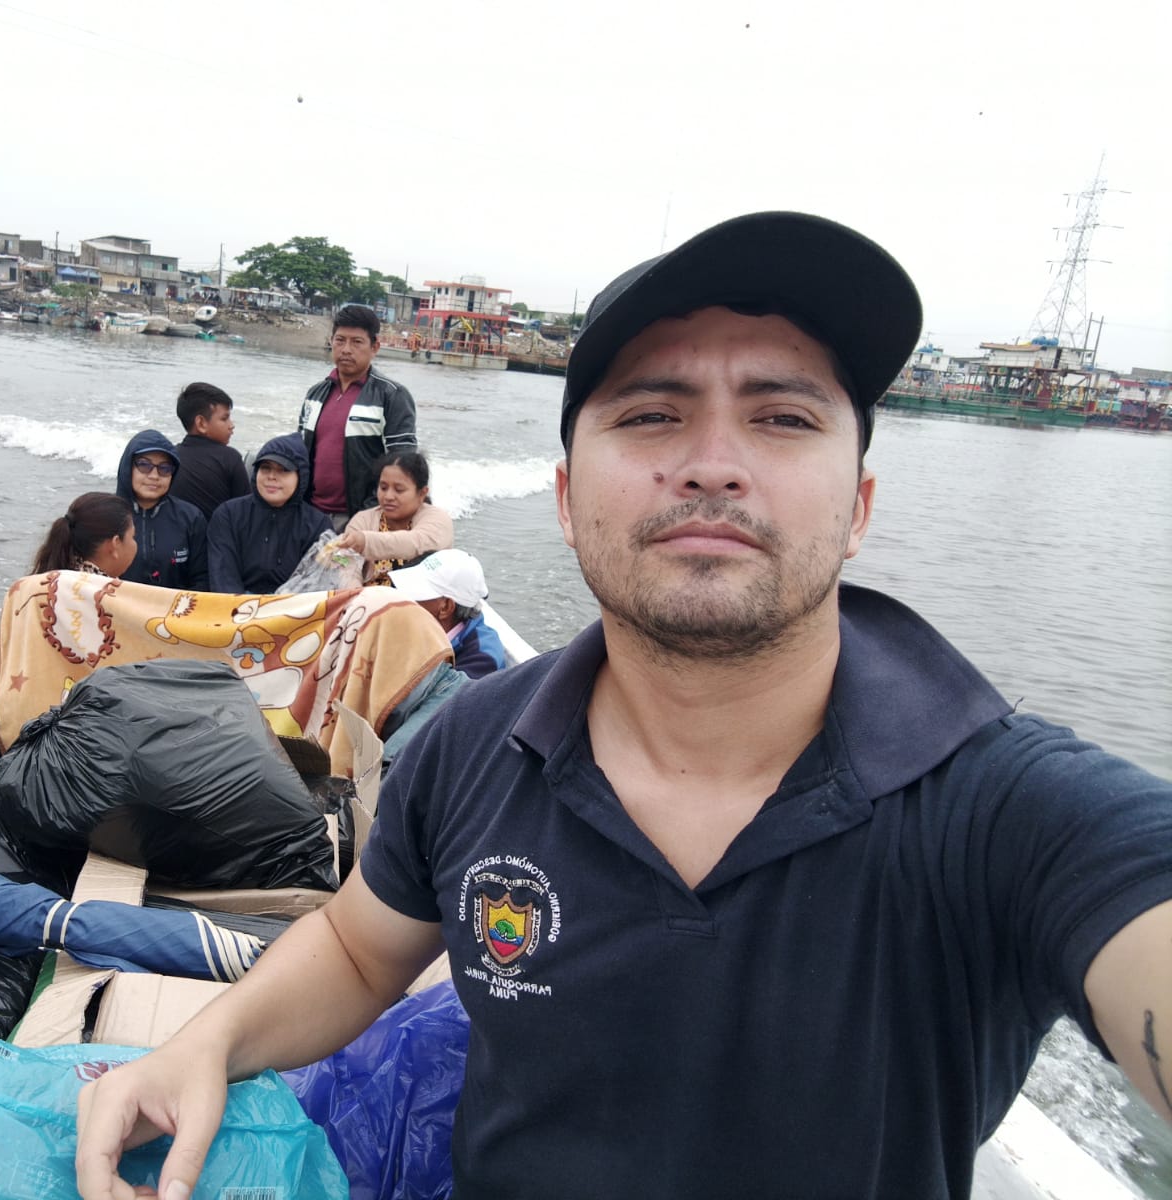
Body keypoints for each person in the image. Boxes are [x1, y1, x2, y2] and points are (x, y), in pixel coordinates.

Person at [74, 212, 1172, 1200]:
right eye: (651, 414)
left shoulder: (1008, 811)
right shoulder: (475, 746)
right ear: (564, 500)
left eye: (784, 418)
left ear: (858, 508)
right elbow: (362, 953)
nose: (713, 465)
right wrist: (205, 1046)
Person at [297, 304, 417, 530]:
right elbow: (299, 453)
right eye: (340, 340)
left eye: (357, 342)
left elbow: (403, 466)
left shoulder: (392, 395)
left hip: (361, 519)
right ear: (331, 341)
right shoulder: (315, 394)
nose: (346, 349)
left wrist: (369, 516)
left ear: (375, 347)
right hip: (310, 515)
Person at [206, 432, 332, 594]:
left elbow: (316, 582)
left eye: (283, 470)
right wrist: (244, 606)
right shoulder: (227, 515)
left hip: (294, 606)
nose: (272, 476)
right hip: (236, 605)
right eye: (265, 468)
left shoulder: (318, 524)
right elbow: (222, 577)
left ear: (301, 476)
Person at [335, 450, 453, 585]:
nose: (388, 496)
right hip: (368, 596)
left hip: (422, 597)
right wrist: (354, 592)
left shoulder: (438, 519)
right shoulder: (363, 520)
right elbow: (346, 565)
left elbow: (416, 543)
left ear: (422, 493)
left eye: (399, 490)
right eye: (383, 488)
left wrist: (365, 541)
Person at [113, 430, 208, 590]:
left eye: (164, 468)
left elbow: (203, 577)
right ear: (128, 467)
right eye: (144, 465)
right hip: (114, 604)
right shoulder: (105, 515)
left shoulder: (191, 518)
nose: (154, 476)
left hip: (176, 605)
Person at [389, 548, 506, 679]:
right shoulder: (418, 627)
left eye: (414, 594)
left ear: (445, 607)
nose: (402, 600)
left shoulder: (481, 660)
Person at [167, 382, 249, 520]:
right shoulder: (230, 458)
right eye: (224, 418)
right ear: (201, 423)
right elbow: (245, 512)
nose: (231, 425)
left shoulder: (170, 458)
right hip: (219, 533)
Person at [28, 492, 137, 577]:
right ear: (115, 543)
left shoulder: (40, 583)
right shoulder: (105, 595)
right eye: (133, 537)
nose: (136, 544)